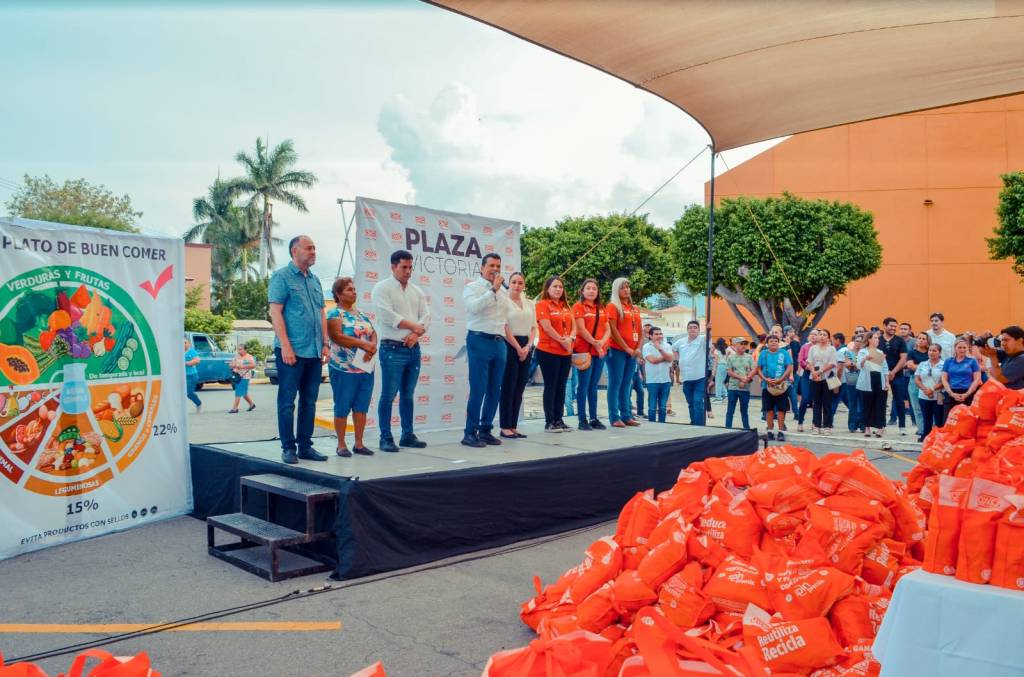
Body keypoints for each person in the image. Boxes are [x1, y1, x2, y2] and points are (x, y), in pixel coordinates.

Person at [268, 235, 329, 465]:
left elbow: (321, 313)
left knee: (309, 401)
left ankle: (305, 446)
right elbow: (275, 312)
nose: (314, 252)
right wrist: (285, 345)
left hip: (314, 351)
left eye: (315, 248)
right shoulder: (281, 276)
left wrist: (325, 343)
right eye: (309, 248)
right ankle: (288, 448)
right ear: (295, 251)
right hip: (291, 351)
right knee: (287, 401)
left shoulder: (315, 280)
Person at [371, 250, 430, 453]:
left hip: (413, 348)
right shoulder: (382, 288)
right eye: (404, 267)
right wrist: (414, 327)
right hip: (392, 348)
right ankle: (385, 437)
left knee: (408, 395)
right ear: (393, 267)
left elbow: (426, 316)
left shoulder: (417, 291)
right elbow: (386, 316)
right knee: (389, 394)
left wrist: (415, 334)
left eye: (410, 267)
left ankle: (407, 435)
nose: (408, 271)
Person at [461, 253, 508, 448]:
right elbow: (474, 308)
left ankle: (486, 430)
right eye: (491, 266)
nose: (495, 269)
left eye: (498, 266)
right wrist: (493, 290)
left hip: (499, 342)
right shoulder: (472, 287)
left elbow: (505, 316)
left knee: (495, 390)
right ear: (482, 268)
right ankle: (470, 433)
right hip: (479, 340)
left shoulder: (503, 292)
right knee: (478, 388)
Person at [326, 277, 377, 457]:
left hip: (365, 368)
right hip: (343, 369)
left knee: (361, 407)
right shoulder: (334, 314)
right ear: (338, 294)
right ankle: (341, 444)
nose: (354, 292)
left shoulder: (361, 314)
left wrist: (372, 347)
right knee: (342, 406)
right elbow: (337, 336)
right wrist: (364, 345)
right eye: (349, 290)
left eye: (354, 289)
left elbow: (373, 333)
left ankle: (359, 444)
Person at [535, 276, 575, 432]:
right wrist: (562, 340)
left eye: (560, 287)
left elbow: (574, 327)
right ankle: (550, 422)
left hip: (565, 351)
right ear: (547, 288)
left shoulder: (566, 306)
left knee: (561, 386)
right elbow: (546, 327)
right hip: (548, 351)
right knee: (551, 386)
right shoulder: (542, 305)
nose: (558, 289)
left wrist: (570, 339)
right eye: (555, 286)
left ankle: (559, 419)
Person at [499, 272, 536, 439]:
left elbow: (534, 327)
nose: (516, 285)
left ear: (524, 285)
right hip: (510, 344)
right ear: (509, 284)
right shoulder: (504, 302)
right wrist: (517, 347)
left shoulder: (529, 303)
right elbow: (505, 327)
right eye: (513, 282)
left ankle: (513, 425)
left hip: (526, 345)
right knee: (509, 386)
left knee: (520, 387)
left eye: (520, 283)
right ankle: (505, 426)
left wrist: (527, 346)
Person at [605, 277, 643, 428]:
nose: (626, 290)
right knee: (615, 383)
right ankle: (614, 417)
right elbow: (613, 330)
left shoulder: (635, 308)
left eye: (627, 287)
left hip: (632, 353)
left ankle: (626, 415)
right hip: (617, 350)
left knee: (627, 384)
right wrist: (626, 347)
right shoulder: (612, 307)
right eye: (622, 287)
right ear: (616, 290)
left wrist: (638, 348)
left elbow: (640, 330)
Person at [571, 278, 608, 430]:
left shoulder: (601, 308)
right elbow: (581, 329)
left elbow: (608, 329)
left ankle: (593, 418)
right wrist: (596, 343)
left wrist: (601, 343)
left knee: (593, 386)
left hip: (599, 351)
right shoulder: (578, 307)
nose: (591, 291)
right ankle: (582, 419)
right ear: (582, 291)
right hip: (584, 351)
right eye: (588, 288)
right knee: (583, 385)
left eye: (594, 288)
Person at [755, 334, 793, 441]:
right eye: (771, 341)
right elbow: (758, 369)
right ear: (767, 343)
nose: (774, 343)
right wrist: (765, 379)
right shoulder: (763, 353)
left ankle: (781, 432)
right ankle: (770, 431)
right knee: (769, 409)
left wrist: (781, 379)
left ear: (779, 343)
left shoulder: (784, 353)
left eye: (776, 341)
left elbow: (789, 367)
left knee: (781, 409)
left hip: (781, 386)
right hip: (767, 386)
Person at [673, 320, 708, 426]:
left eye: (695, 327)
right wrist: (677, 360)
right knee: (691, 403)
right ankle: (693, 423)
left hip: (700, 378)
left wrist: (709, 329)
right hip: (686, 378)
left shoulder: (702, 340)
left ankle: (699, 426)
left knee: (697, 401)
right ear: (687, 329)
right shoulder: (681, 342)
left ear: (699, 330)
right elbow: (674, 349)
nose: (692, 329)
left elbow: (709, 337)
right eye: (690, 327)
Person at [857, 331, 890, 438]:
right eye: (875, 338)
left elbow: (885, 368)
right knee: (867, 404)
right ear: (869, 339)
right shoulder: (863, 351)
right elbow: (859, 366)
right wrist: (865, 359)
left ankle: (880, 428)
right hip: (867, 379)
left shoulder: (880, 352)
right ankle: (867, 428)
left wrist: (887, 382)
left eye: (877, 338)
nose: (877, 340)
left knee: (880, 404)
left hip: (879, 379)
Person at [879, 317, 909, 435]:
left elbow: (903, 358)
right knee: (881, 400)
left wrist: (893, 372)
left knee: (899, 400)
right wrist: (886, 373)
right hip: (881, 374)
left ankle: (902, 426)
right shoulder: (878, 339)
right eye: (891, 326)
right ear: (884, 325)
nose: (893, 328)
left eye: (895, 327)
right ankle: (881, 426)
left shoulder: (900, 340)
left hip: (897, 374)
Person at [940, 337, 982, 419]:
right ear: (955, 348)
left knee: (967, 420)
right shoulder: (948, 361)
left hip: (968, 393)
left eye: (964, 347)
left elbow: (977, 379)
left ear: (967, 348)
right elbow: (944, 378)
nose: (962, 350)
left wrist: (967, 394)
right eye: (959, 347)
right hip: (951, 393)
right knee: (948, 419)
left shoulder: (972, 361)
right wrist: (951, 393)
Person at [808, 328, 838, 434]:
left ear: (828, 338)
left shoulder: (832, 349)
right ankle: (816, 425)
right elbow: (810, 362)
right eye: (820, 334)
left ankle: (827, 426)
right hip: (815, 378)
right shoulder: (813, 348)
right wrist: (813, 373)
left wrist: (820, 371)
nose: (822, 336)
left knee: (827, 403)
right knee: (816, 403)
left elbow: (832, 363)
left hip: (827, 378)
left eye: (824, 335)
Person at [914, 342, 946, 441]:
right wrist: (925, 389)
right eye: (930, 350)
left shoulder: (944, 365)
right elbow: (917, 379)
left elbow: (944, 381)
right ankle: (926, 435)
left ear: (939, 353)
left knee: (939, 418)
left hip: (938, 396)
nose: (931, 352)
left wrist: (932, 389)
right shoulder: (922, 364)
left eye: (934, 351)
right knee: (926, 417)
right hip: (923, 395)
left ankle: (938, 438)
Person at [642, 326, 673, 422]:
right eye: (656, 334)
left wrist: (660, 349)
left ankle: (662, 424)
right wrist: (665, 357)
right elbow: (653, 360)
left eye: (660, 334)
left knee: (663, 407)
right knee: (652, 406)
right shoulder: (646, 347)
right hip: (652, 381)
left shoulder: (667, 346)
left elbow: (670, 359)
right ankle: (652, 424)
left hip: (665, 380)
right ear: (650, 336)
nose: (659, 336)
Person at [980, 325, 1024, 390]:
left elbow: (1000, 379)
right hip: (1006, 395)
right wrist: (982, 340)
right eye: (1002, 340)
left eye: (1006, 340)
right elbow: (983, 351)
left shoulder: (1021, 359)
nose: (1003, 343)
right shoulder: (1009, 354)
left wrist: (993, 357)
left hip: (1015, 396)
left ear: (1020, 340)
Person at [725, 336, 755, 429]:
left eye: (745, 344)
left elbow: (753, 371)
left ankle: (746, 429)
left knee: (744, 411)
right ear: (735, 345)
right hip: (733, 388)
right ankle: (728, 429)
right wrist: (741, 378)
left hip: (745, 388)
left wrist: (746, 380)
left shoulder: (749, 357)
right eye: (741, 344)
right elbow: (729, 372)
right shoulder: (730, 357)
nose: (743, 346)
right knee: (730, 410)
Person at [905, 332, 931, 437]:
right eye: (919, 338)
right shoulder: (911, 352)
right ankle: (921, 430)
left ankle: (930, 429)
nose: (921, 340)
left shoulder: (931, 352)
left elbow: (935, 365)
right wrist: (926, 367)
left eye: (924, 339)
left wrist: (918, 366)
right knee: (917, 407)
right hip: (914, 381)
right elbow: (910, 366)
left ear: (927, 341)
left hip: (929, 381)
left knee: (929, 406)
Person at [838, 333, 864, 432]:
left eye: (861, 341)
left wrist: (854, 364)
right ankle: (852, 425)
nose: (859, 343)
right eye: (857, 341)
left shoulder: (865, 353)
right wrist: (858, 364)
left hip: (864, 381)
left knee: (862, 403)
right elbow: (848, 365)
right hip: (852, 380)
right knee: (852, 403)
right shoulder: (849, 352)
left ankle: (862, 425)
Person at [795, 329, 816, 432]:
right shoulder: (805, 347)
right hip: (806, 374)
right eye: (811, 334)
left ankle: (815, 423)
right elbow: (800, 360)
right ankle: (800, 422)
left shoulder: (821, 348)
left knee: (816, 400)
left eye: (815, 334)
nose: (813, 336)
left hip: (818, 374)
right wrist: (806, 366)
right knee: (805, 399)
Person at [228, 343, 256, 414]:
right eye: (238, 349)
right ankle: (252, 404)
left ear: (245, 350)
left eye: (240, 349)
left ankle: (235, 408)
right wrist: (233, 365)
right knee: (243, 393)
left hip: (245, 376)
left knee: (238, 391)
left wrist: (242, 366)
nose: (239, 351)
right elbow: (230, 364)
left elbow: (253, 365)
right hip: (237, 376)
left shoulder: (249, 357)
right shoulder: (236, 357)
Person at [184, 338, 202, 413]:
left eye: (185, 342)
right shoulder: (178, 351)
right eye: (182, 343)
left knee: (189, 393)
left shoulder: (192, 351)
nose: (184, 344)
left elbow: (197, 360)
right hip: (180, 376)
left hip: (191, 375)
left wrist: (187, 363)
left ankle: (198, 403)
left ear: (189, 344)